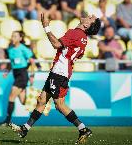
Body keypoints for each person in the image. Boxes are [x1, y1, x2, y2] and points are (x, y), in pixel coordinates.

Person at [9, 12, 101, 145]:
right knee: (41, 100)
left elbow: (56, 44)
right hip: (63, 72)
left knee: (59, 105)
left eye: (91, 17)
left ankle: (83, 129)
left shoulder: (75, 33)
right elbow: (77, 54)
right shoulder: (84, 38)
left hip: (59, 72)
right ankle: (25, 129)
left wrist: (46, 27)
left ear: (87, 24)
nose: (89, 15)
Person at [0, 31, 34, 126]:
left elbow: (32, 61)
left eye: (15, 36)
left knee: (11, 96)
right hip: (16, 74)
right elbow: (12, 62)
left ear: (20, 38)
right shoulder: (10, 49)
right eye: (12, 36)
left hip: (22, 75)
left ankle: (7, 121)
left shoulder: (23, 49)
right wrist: (7, 71)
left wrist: (32, 76)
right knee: (23, 101)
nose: (12, 38)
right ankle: (38, 101)